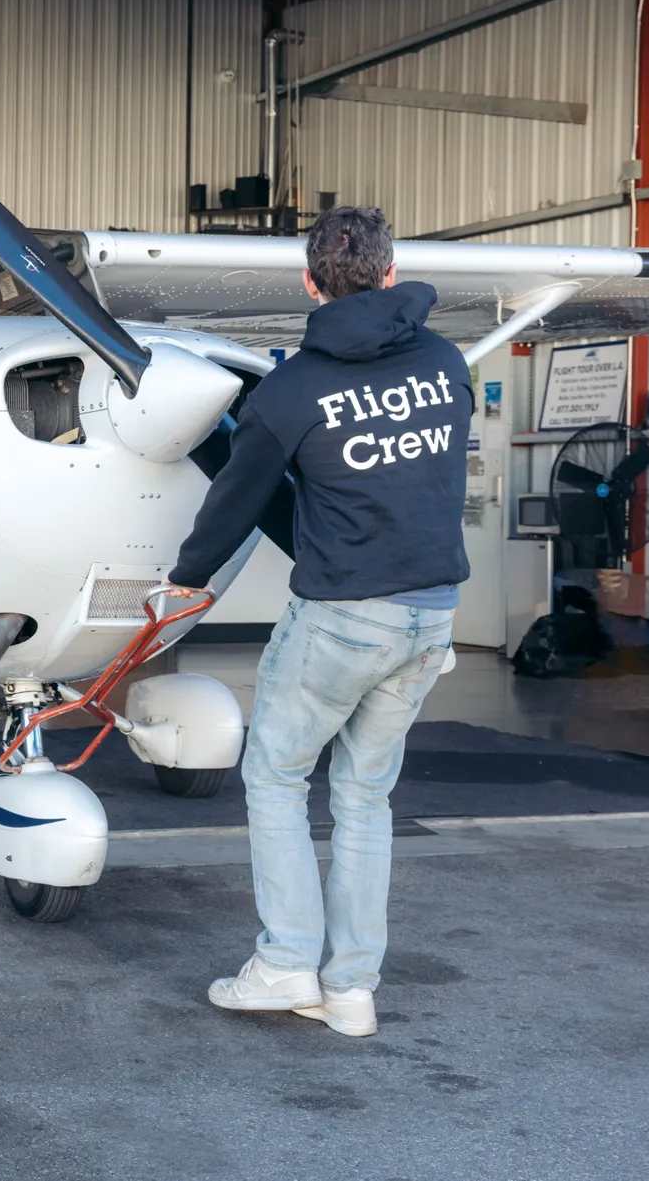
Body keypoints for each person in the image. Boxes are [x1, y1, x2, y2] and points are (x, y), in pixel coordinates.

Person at [159, 205, 471, 1039]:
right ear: (392, 274)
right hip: (432, 616)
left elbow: (238, 497)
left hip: (342, 616)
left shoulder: (293, 387)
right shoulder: (446, 363)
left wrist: (185, 580)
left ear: (309, 283)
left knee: (276, 777)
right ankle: (352, 990)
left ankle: (285, 962)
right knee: (366, 798)